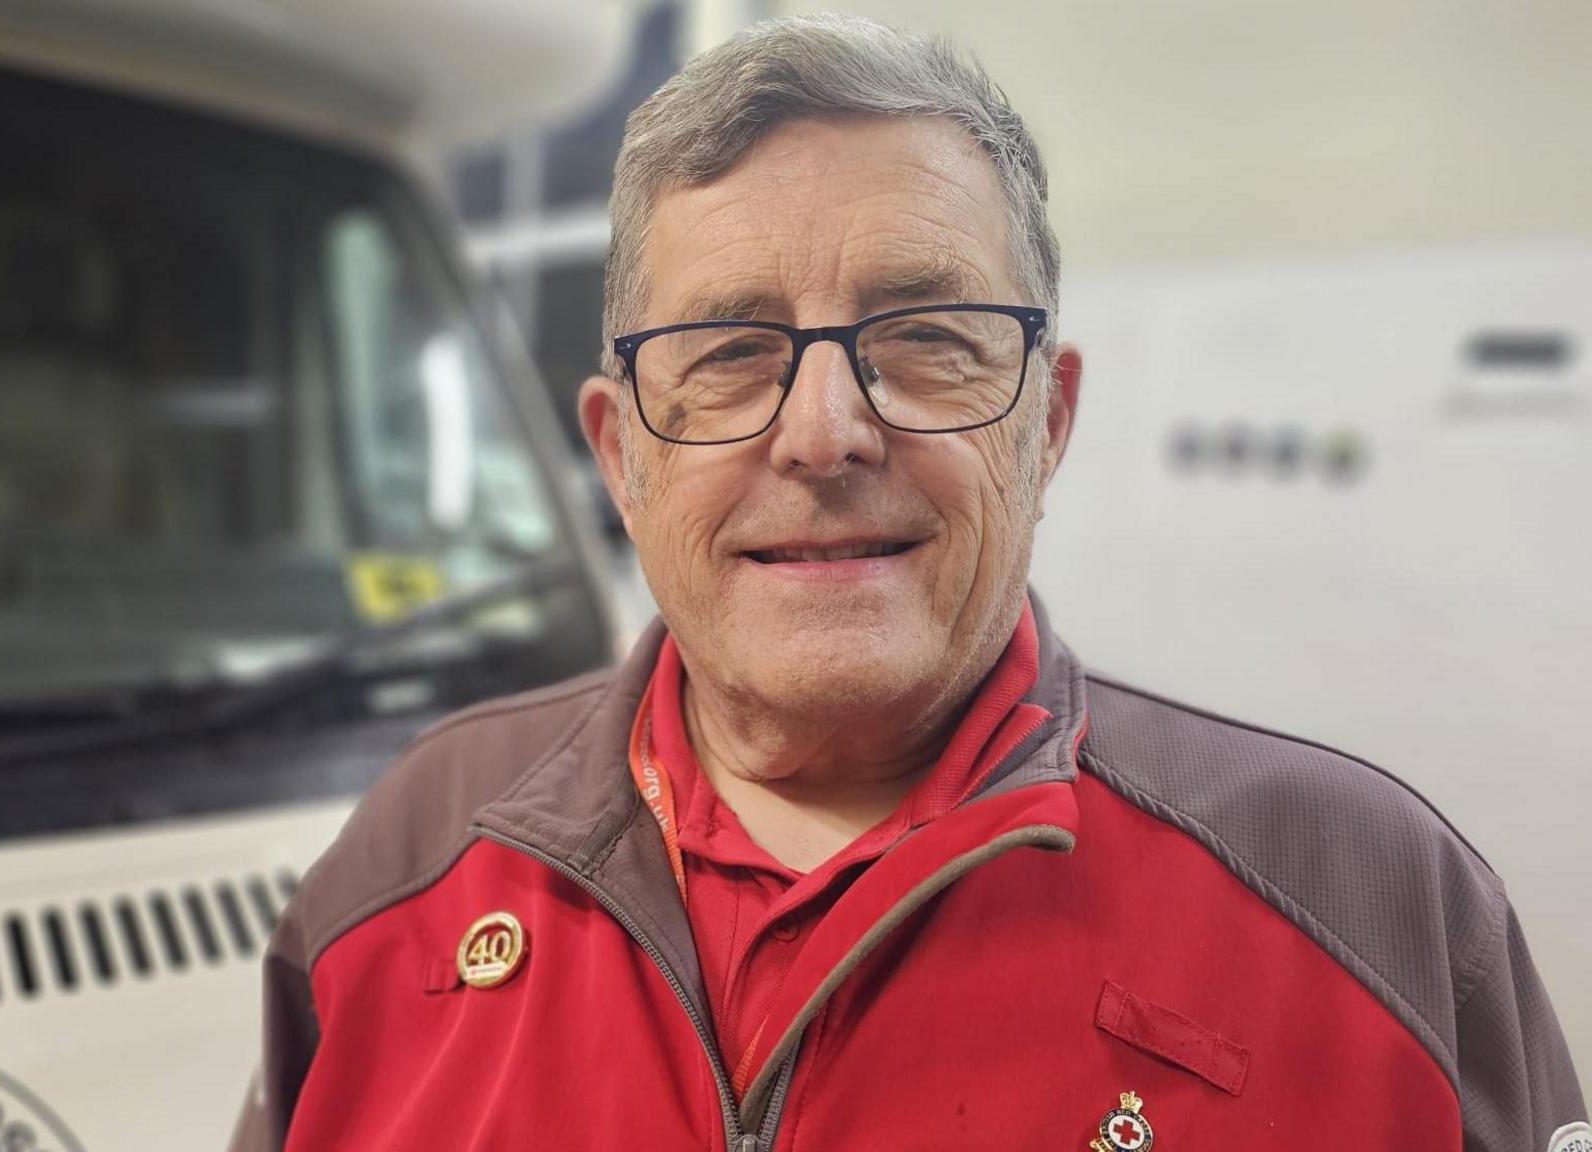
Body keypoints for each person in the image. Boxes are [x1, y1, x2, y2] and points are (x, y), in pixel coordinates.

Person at [231, 15, 1585, 1151]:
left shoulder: (1378, 914)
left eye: (929, 337)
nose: (823, 432)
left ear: (1043, 426)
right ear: (619, 453)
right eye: (727, 352)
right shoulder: (404, 873)